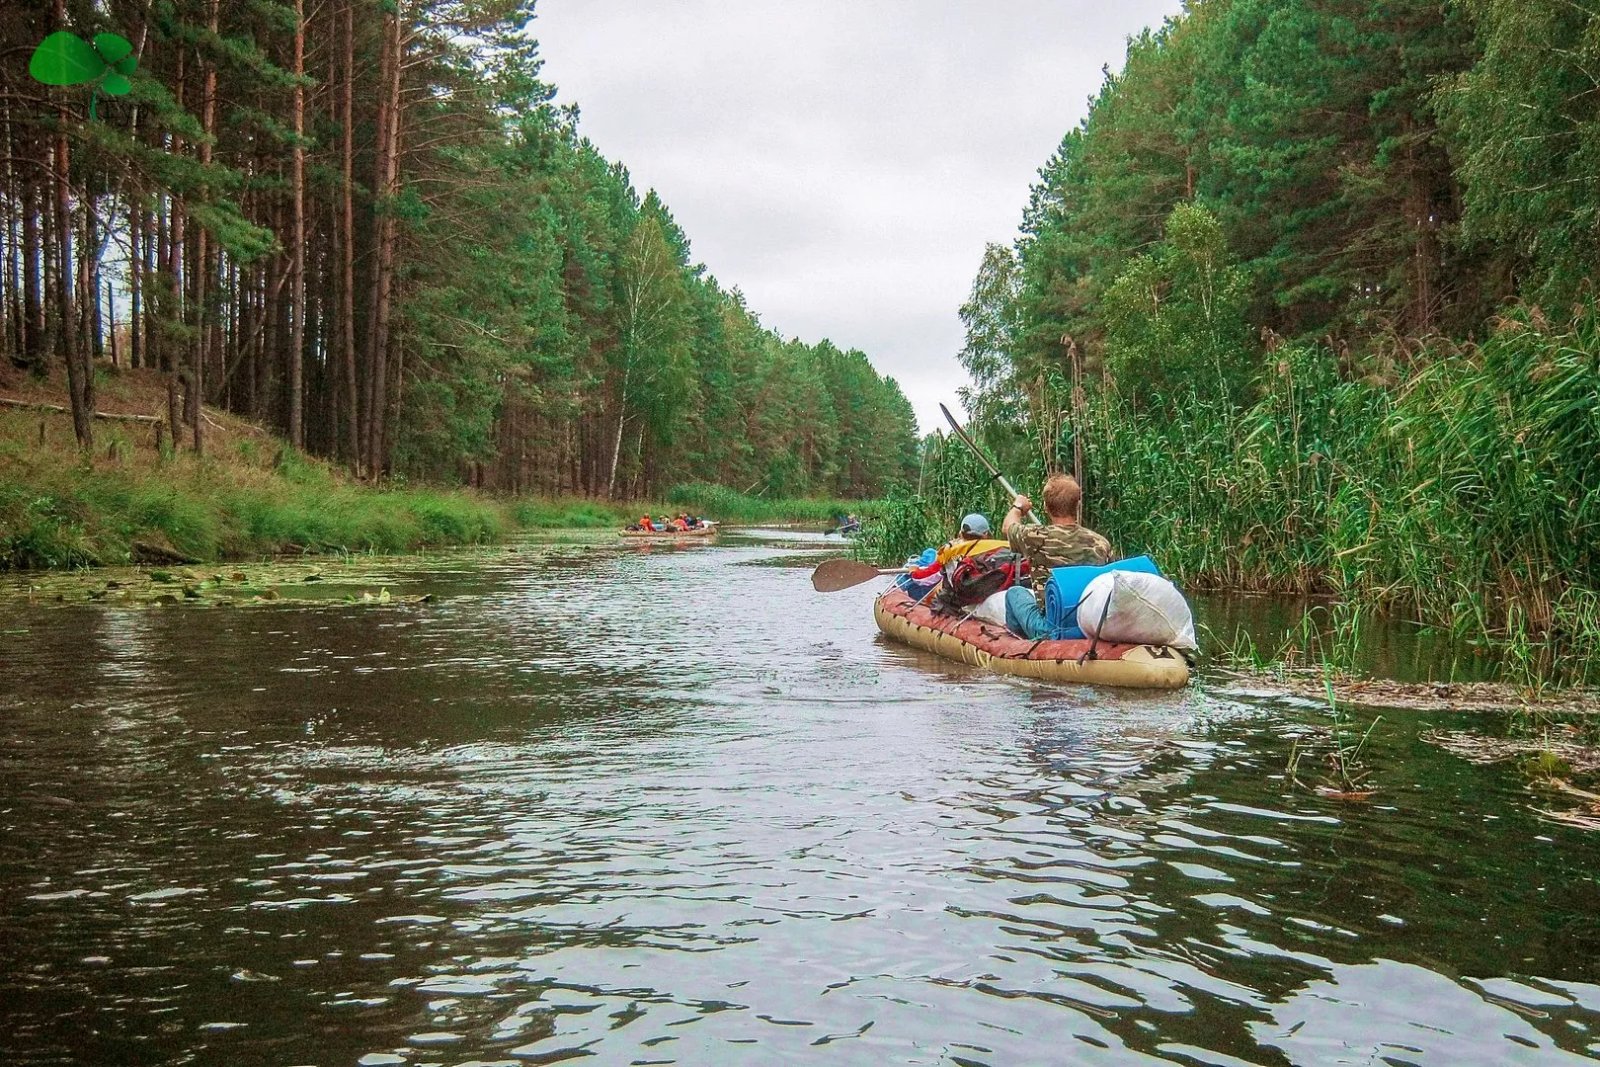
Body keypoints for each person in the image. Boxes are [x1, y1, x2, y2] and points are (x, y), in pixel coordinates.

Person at [1002, 474, 1112, 639]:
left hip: (1051, 628)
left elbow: (1007, 526)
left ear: (1046, 507)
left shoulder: (1034, 536)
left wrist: (1018, 506)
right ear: (1077, 504)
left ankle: (1020, 647)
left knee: (1014, 592)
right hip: (1091, 624)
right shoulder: (1101, 543)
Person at [903, 513, 1007, 585]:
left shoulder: (950, 551)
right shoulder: (999, 549)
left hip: (959, 601)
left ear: (961, 533)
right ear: (986, 534)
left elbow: (924, 577)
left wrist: (914, 571)